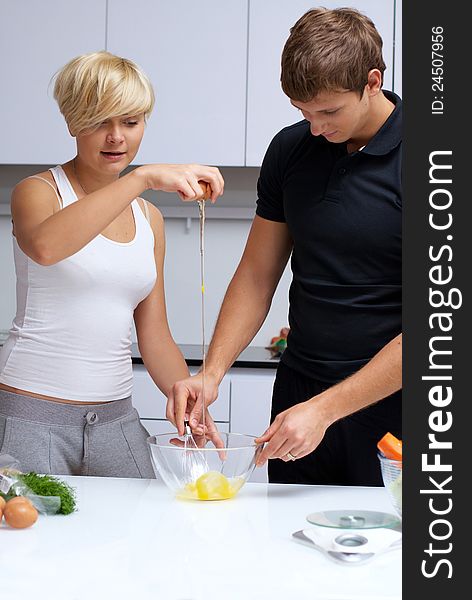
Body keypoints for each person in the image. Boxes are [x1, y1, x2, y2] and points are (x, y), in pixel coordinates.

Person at [168, 7, 402, 486]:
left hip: (394, 404)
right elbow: (257, 275)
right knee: (289, 551)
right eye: (303, 112)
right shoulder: (290, 150)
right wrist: (211, 374)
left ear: (372, 82)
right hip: (299, 394)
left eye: (329, 112)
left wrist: (326, 410)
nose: (315, 128)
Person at [0, 51, 224, 478]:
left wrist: (191, 402)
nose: (116, 137)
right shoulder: (37, 192)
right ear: (71, 123)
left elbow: (154, 334)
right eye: (99, 121)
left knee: (138, 537)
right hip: (31, 416)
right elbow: (46, 246)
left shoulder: (149, 219)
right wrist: (141, 178)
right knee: (35, 541)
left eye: (130, 122)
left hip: (116, 420)